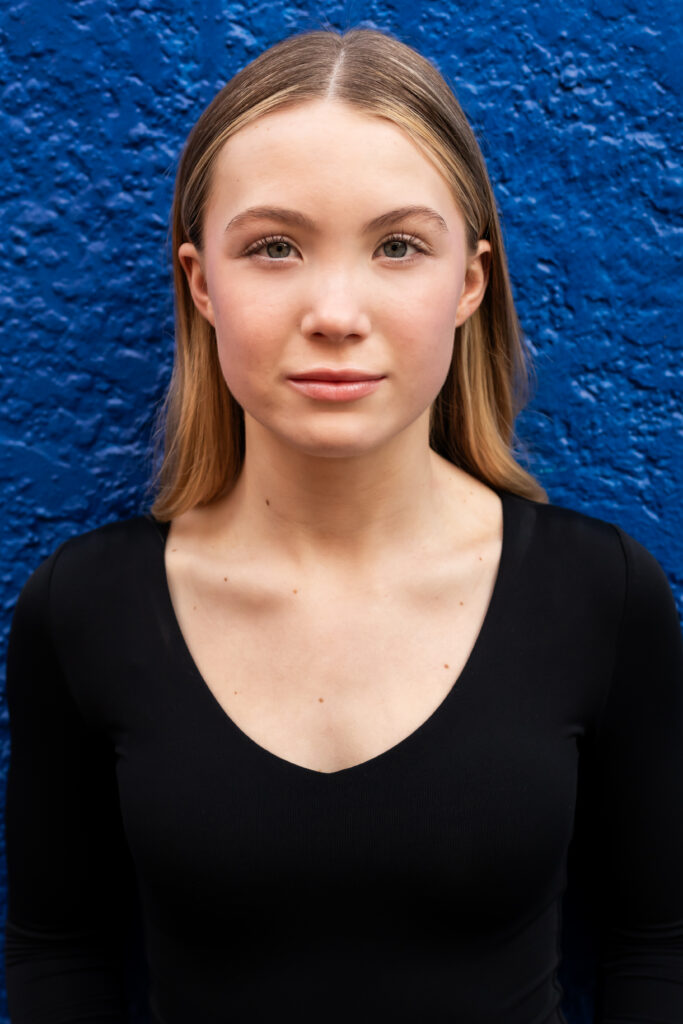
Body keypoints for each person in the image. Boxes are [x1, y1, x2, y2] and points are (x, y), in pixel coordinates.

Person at [3, 26, 682, 1024]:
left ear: (468, 282)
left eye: (397, 246)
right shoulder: (84, 608)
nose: (333, 311)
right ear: (201, 283)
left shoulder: (599, 594)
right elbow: (59, 953)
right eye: (273, 248)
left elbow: (655, 945)